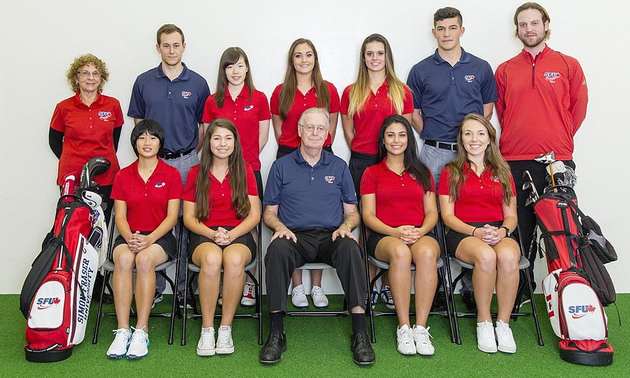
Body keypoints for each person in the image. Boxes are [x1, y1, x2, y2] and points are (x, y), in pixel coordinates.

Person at [260, 108, 374, 366]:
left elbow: (353, 212)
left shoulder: (338, 166)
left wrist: (347, 226)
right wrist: (280, 227)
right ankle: (277, 332)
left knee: (351, 249)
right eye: (309, 127)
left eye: (320, 128)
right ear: (299, 130)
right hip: (294, 237)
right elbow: (268, 213)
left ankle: (360, 333)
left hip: (331, 236)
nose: (314, 133)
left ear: (327, 134)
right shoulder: (281, 166)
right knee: (276, 250)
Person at [406, 6, 498, 311]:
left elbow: (486, 111)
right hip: (432, 151)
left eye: (452, 28)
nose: (447, 34)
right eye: (441, 29)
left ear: (462, 30)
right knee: (430, 214)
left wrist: (469, 142)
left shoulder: (481, 67)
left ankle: (473, 284)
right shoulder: (420, 70)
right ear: (434, 32)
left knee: (471, 210)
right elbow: (414, 114)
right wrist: (432, 134)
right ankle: (439, 285)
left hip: (469, 152)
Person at [495, 2, 588, 288]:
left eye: (534, 23)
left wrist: (556, 137)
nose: (529, 29)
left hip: (556, 161)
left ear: (546, 25)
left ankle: (567, 288)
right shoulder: (505, 69)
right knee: (520, 229)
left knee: (560, 230)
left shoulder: (567, 65)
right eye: (523, 25)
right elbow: (502, 111)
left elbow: (578, 109)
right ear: (517, 30)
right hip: (514, 159)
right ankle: (521, 291)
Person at [128, 23, 211, 306]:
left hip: (187, 161)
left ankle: (184, 291)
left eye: (176, 45)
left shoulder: (198, 83)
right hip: (152, 162)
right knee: (153, 220)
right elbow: (140, 127)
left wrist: (187, 155)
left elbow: (203, 128)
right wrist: (152, 155)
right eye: (166, 45)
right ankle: (155, 287)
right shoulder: (143, 81)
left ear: (184, 47)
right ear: (158, 48)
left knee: (188, 224)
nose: (171, 50)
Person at [341, 33, 413, 309]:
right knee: (362, 224)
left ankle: (387, 286)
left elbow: (403, 132)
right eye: (369, 53)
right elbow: (348, 131)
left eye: (379, 53)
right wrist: (363, 151)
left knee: (389, 220)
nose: (374, 58)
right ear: (364, 58)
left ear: (387, 56)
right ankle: (365, 287)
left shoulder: (401, 91)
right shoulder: (351, 91)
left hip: (392, 164)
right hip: (361, 163)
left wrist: (388, 155)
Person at [438, 114, 520, 354]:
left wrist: (502, 231)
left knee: (507, 257)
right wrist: (476, 231)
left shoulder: (502, 170)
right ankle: (484, 322)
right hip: (463, 232)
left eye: (480, 133)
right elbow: (448, 216)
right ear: (461, 140)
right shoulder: (451, 171)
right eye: (468, 134)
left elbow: (511, 215)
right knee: (486, 256)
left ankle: (503, 324)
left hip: (497, 230)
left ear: (489, 139)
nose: (474, 139)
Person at [270, 38, 341, 309]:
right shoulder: (280, 91)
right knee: (292, 217)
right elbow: (279, 129)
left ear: (315, 58)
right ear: (292, 60)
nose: (303, 60)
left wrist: (317, 142)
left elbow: (330, 125)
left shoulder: (328, 90)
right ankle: (297, 286)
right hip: (289, 156)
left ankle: (317, 286)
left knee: (321, 217)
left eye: (308, 55)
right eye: (298, 56)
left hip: (322, 155)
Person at [361, 115, 439, 356]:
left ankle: (421, 328)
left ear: (409, 139)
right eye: (391, 135)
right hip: (385, 235)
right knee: (400, 252)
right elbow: (368, 216)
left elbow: (431, 212)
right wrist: (395, 232)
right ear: (383, 140)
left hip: (419, 232)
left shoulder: (423, 171)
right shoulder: (371, 173)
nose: (396, 140)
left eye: (402, 135)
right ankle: (404, 327)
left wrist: (420, 231)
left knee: (426, 252)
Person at [49, 53, 124, 304]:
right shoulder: (64, 108)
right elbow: (54, 141)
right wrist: (77, 162)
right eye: (85, 73)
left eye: (95, 74)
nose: (90, 78)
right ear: (76, 78)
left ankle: (96, 285)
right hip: (73, 180)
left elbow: (114, 140)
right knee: (71, 229)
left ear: (101, 78)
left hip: (106, 180)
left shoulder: (112, 105)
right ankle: (66, 279)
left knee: (99, 232)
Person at [182, 119, 260, 357]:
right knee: (213, 259)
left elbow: (254, 214)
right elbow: (189, 218)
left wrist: (232, 234)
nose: (222, 143)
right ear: (208, 142)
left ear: (235, 143)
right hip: (204, 233)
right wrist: (213, 234)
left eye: (228, 138)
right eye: (217, 138)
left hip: (238, 233)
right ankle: (207, 328)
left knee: (235, 260)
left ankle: (225, 328)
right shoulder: (196, 172)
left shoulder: (245, 170)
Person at [106, 120, 182, 359]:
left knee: (145, 261)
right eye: (141, 137)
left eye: (152, 138)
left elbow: (171, 218)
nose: (147, 142)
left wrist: (148, 240)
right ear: (134, 142)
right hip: (129, 236)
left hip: (160, 238)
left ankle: (141, 329)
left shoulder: (171, 174)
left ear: (160, 143)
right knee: (125, 261)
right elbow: (119, 216)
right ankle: (121, 330)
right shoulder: (123, 175)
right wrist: (130, 239)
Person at [201, 47, 270, 308]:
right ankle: (219, 284)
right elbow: (209, 137)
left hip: (248, 170)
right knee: (217, 219)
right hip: (216, 173)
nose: (235, 71)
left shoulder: (260, 98)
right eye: (230, 67)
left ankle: (248, 281)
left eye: (240, 65)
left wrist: (242, 162)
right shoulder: (212, 101)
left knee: (248, 225)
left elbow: (263, 138)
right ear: (224, 71)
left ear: (247, 68)